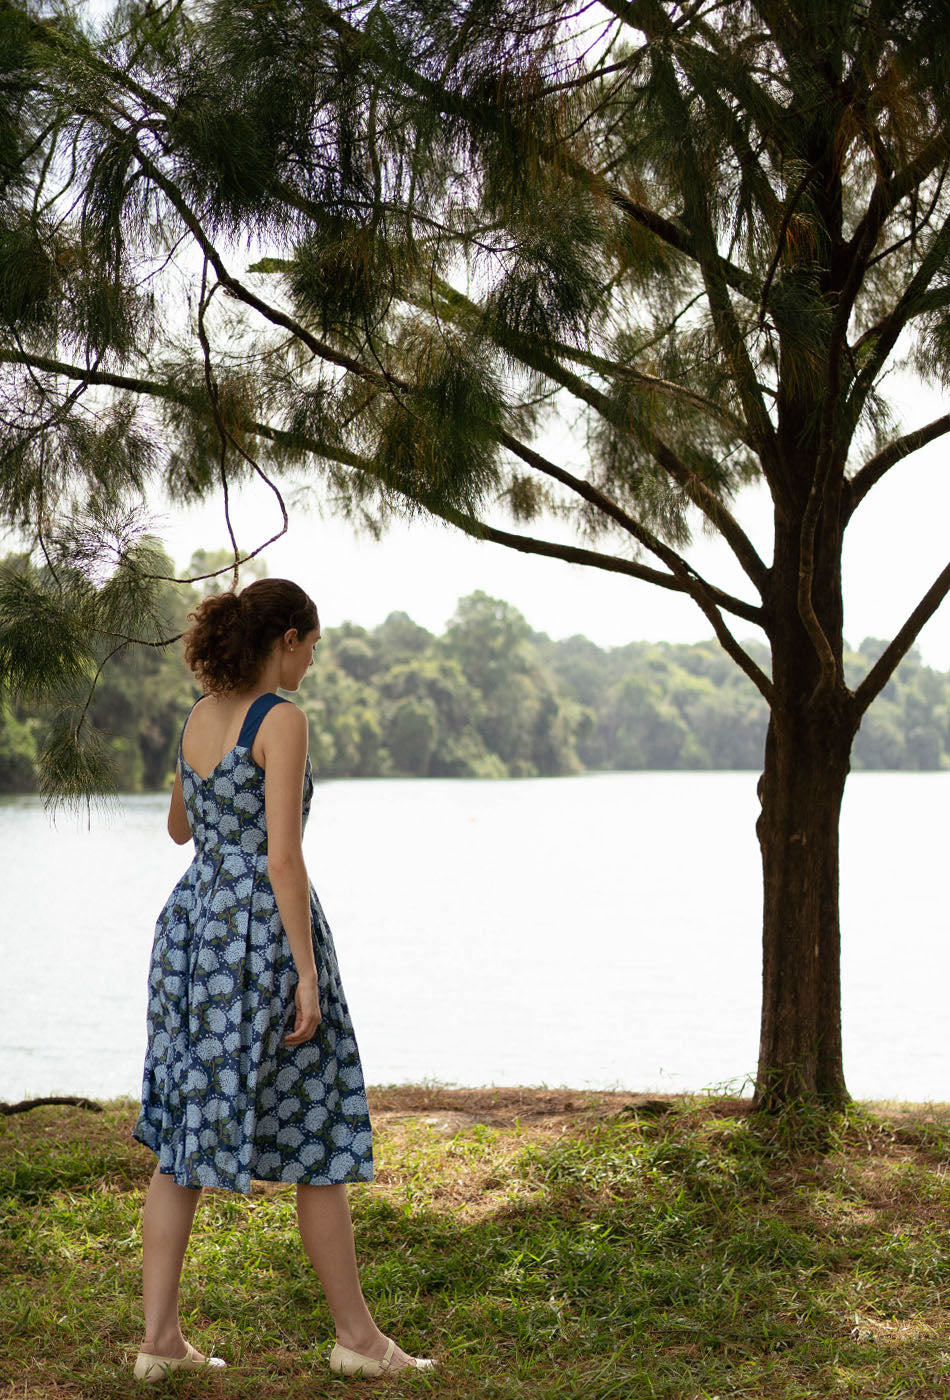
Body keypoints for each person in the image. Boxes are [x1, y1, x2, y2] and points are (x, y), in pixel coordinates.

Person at [130, 578, 435, 1382]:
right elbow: (284, 856)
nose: (313, 660)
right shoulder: (282, 718)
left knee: (182, 1134)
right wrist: (306, 972)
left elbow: (177, 827)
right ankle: (359, 1342)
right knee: (318, 1125)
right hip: (261, 933)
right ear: (289, 638)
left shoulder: (201, 714)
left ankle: (159, 1344)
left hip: (193, 930)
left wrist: (218, 809)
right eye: (314, 645)